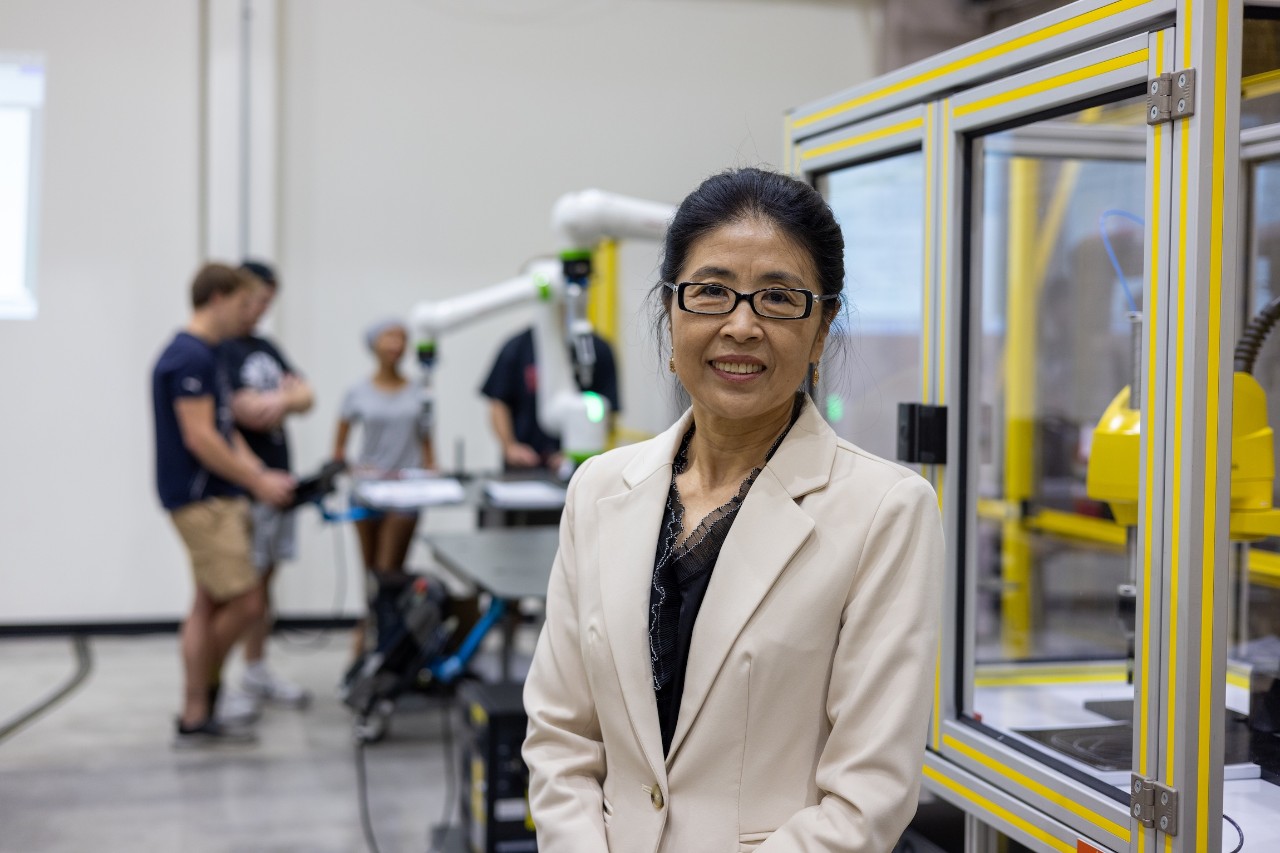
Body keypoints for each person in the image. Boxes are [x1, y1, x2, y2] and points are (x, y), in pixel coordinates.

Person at [522, 168, 944, 851]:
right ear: (671, 310)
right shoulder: (598, 490)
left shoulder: (885, 512)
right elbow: (561, 734)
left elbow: (867, 798)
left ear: (820, 330)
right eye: (712, 291)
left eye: (778, 297)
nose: (741, 324)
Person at [152, 263, 295, 747]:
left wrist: (259, 473)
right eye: (241, 303)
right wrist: (255, 481)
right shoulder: (188, 357)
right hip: (203, 500)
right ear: (216, 298)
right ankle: (202, 692)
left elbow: (226, 431)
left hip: (218, 496)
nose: (247, 314)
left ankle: (198, 711)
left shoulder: (209, 354)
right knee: (247, 600)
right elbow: (201, 437)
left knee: (207, 602)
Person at [217, 260, 315, 709]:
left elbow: (306, 395)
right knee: (240, 591)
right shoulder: (218, 349)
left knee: (265, 584)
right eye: (256, 299)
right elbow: (240, 411)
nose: (261, 309)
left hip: (279, 481)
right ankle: (214, 684)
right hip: (245, 485)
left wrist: (276, 400)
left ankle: (255, 669)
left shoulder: (265, 346)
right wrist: (285, 398)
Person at [333, 319, 436, 652]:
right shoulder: (356, 392)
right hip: (368, 490)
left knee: (388, 571)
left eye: (403, 338)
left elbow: (428, 445)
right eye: (390, 336)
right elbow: (339, 448)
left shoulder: (419, 391)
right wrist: (352, 468)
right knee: (370, 573)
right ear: (374, 344)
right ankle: (370, 633)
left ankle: (383, 641)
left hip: (405, 492)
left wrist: (433, 474)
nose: (397, 344)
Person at [480, 325, 620, 472]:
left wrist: (577, 452)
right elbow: (498, 403)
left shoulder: (597, 350)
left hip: (580, 468)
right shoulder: (517, 347)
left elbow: (608, 409)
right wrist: (510, 446)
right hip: (522, 468)